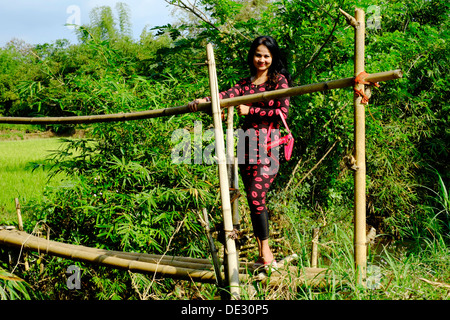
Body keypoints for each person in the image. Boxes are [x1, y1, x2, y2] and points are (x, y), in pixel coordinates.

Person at [188, 36, 291, 270]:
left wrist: (250, 109)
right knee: (255, 200)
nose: (262, 60)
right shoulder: (246, 83)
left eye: (266, 55)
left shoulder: (279, 81)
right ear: (252, 56)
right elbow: (224, 95)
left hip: (270, 145)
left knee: (256, 195)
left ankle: (266, 252)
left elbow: (281, 112)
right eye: (258, 55)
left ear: (272, 57)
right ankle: (263, 253)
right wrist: (202, 100)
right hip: (246, 146)